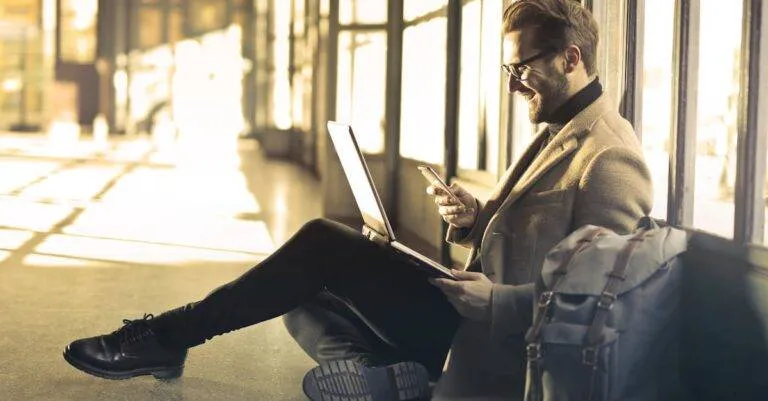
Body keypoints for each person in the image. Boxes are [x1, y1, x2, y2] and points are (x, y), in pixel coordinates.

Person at [62, 1, 652, 400]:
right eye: (508, 67)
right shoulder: (556, 130)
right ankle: (391, 378)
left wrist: (498, 302)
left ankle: (167, 338)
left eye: (521, 67)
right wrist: (473, 219)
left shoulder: (609, 158)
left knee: (318, 245)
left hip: (494, 335)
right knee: (294, 291)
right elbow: (523, 234)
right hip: (464, 309)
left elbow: (605, 303)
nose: (511, 83)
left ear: (571, 59)